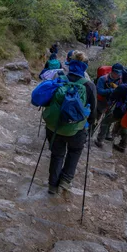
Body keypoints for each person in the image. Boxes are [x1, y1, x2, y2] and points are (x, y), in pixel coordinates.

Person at [45, 51, 97, 194]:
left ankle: (52, 185)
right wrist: (88, 125)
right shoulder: (89, 85)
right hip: (77, 129)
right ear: (85, 67)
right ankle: (65, 181)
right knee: (74, 152)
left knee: (57, 154)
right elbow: (93, 113)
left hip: (54, 127)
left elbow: (48, 101)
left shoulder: (59, 78)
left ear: (69, 64)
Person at [101, 67, 127, 153]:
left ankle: (99, 140)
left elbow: (113, 97)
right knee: (125, 126)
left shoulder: (123, 86)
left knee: (105, 121)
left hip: (120, 111)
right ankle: (122, 145)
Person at [94, 63, 123, 148]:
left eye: (119, 74)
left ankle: (101, 139)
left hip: (111, 103)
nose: (117, 75)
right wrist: (111, 90)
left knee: (107, 121)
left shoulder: (120, 80)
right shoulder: (103, 79)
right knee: (96, 119)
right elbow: (99, 91)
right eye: (116, 73)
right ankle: (89, 133)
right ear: (112, 71)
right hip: (101, 101)